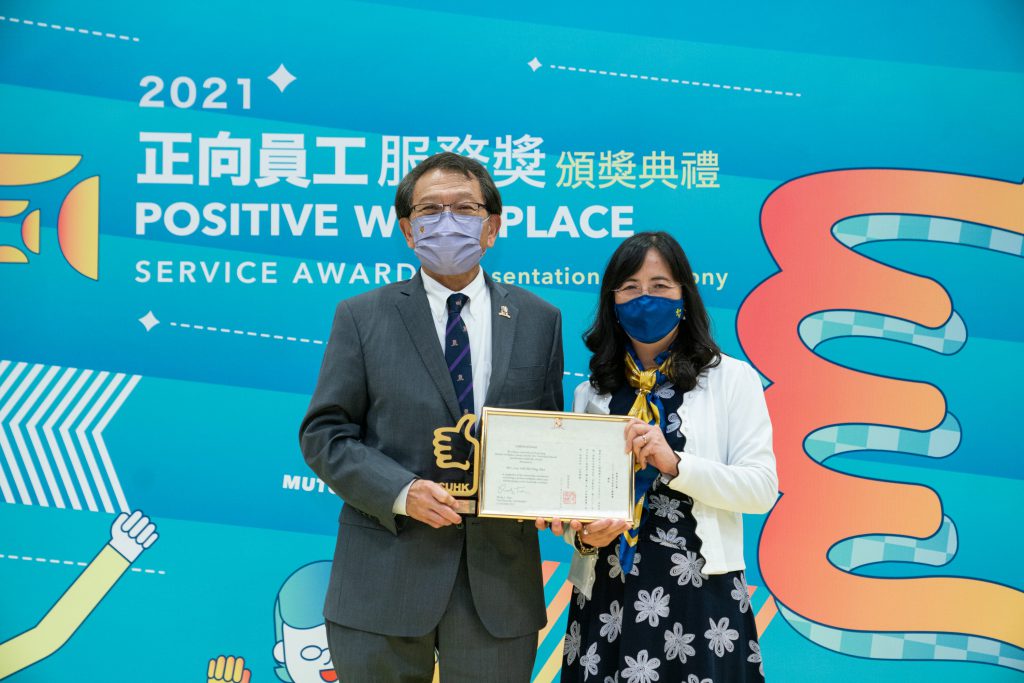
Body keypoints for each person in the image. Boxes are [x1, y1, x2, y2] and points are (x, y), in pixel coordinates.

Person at [299, 152, 564, 683]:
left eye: (464, 208)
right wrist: (401, 492)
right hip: (384, 577)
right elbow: (325, 433)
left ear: (492, 226)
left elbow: (548, 436)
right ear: (407, 229)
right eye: (430, 210)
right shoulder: (362, 316)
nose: (447, 222)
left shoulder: (539, 319)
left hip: (498, 584)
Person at [555, 231, 777, 682]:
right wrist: (582, 539)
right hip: (607, 591)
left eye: (660, 286)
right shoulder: (591, 392)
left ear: (684, 295)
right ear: (612, 300)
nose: (645, 299)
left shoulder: (731, 379)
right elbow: (571, 507)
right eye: (631, 287)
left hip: (701, 594)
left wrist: (676, 464)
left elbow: (760, 490)